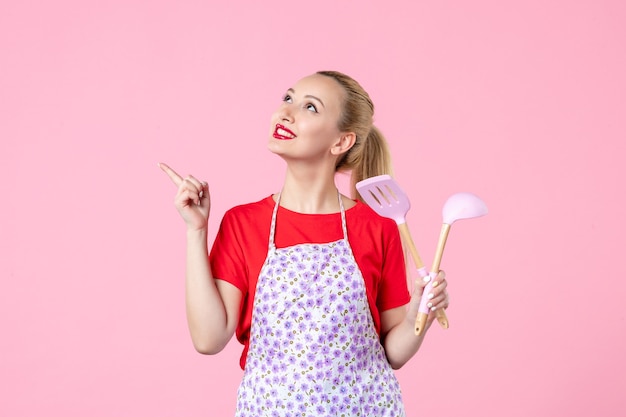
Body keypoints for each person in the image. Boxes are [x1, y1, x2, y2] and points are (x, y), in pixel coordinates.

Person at [159, 70, 450, 417]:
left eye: (310, 107)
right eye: (288, 99)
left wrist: (422, 311)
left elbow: (393, 353)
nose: (286, 112)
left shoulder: (378, 226)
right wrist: (196, 231)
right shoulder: (243, 223)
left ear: (341, 142)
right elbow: (208, 339)